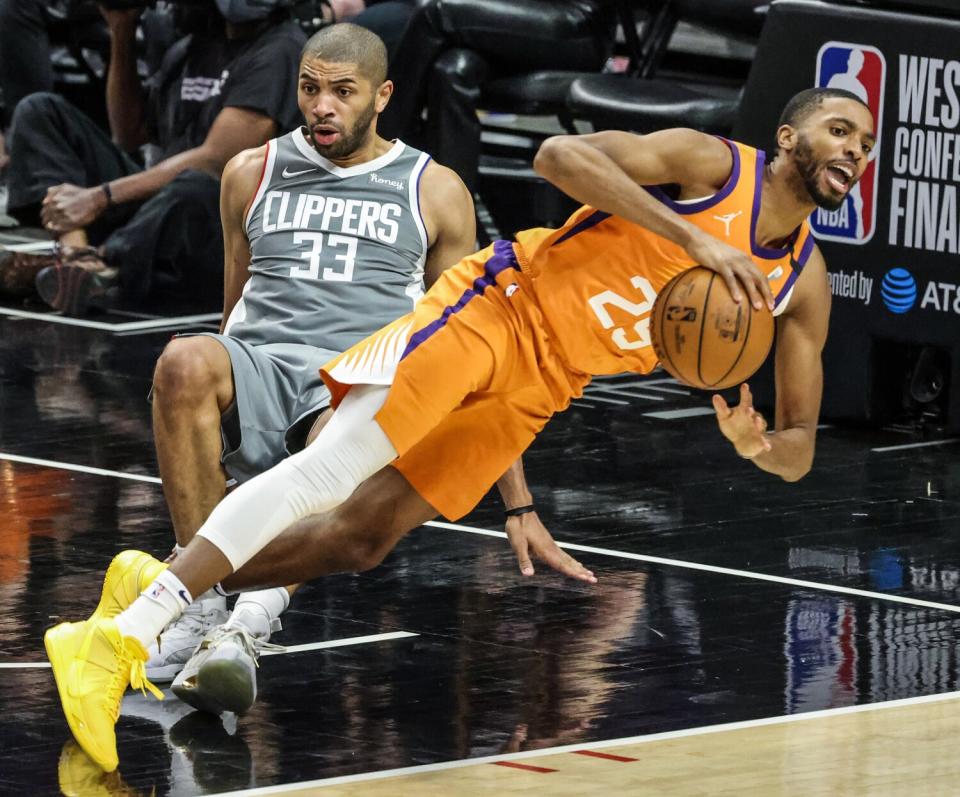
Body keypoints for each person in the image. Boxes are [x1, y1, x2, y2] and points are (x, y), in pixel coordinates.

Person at [45, 86, 876, 771]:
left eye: (866, 144)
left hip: (547, 383)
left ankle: (160, 586)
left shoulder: (802, 283)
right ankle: (119, 636)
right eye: (840, 129)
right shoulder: (711, 165)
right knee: (333, 468)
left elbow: (801, 446)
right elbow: (557, 158)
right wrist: (688, 234)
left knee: (364, 535)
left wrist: (760, 446)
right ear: (789, 133)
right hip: (500, 307)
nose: (853, 149)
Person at [145, 21, 551, 716]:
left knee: (338, 431)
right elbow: (232, 310)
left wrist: (518, 498)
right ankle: (201, 605)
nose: (321, 106)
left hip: (355, 379)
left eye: (341, 91)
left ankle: (247, 629)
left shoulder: (434, 189)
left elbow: (477, 348)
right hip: (264, 364)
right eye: (309, 89)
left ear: (382, 95)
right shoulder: (251, 171)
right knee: (182, 359)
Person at [0, 1, 305, 314]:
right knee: (40, 112)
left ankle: (104, 261)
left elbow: (216, 160)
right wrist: (122, 29)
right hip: (159, 207)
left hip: (225, 224)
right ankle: (77, 259)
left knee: (195, 184)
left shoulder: (282, 50)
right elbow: (129, 134)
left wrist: (99, 197)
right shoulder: (192, 46)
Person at [378, 0, 618, 192]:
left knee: (435, 13)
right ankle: (450, 211)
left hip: (578, 23)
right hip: (514, 22)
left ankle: (381, 150)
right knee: (451, 70)